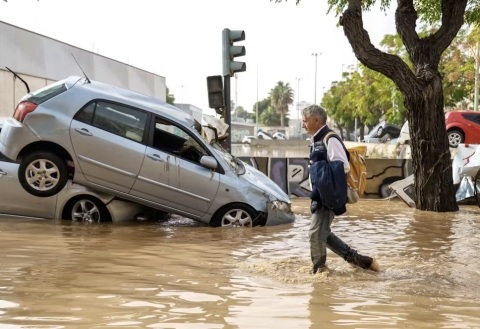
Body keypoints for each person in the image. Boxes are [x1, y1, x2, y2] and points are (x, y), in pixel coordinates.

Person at [302, 105, 379, 274]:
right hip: (319, 194)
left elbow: (342, 165)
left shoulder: (330, 138)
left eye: (305, 121)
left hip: (327, 195)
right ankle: (361, 261)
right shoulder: (316, 140)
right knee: (323, 234)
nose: (303, 125)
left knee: (315, 234)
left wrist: (319, 172)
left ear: (316, 120)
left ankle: (319, 270)